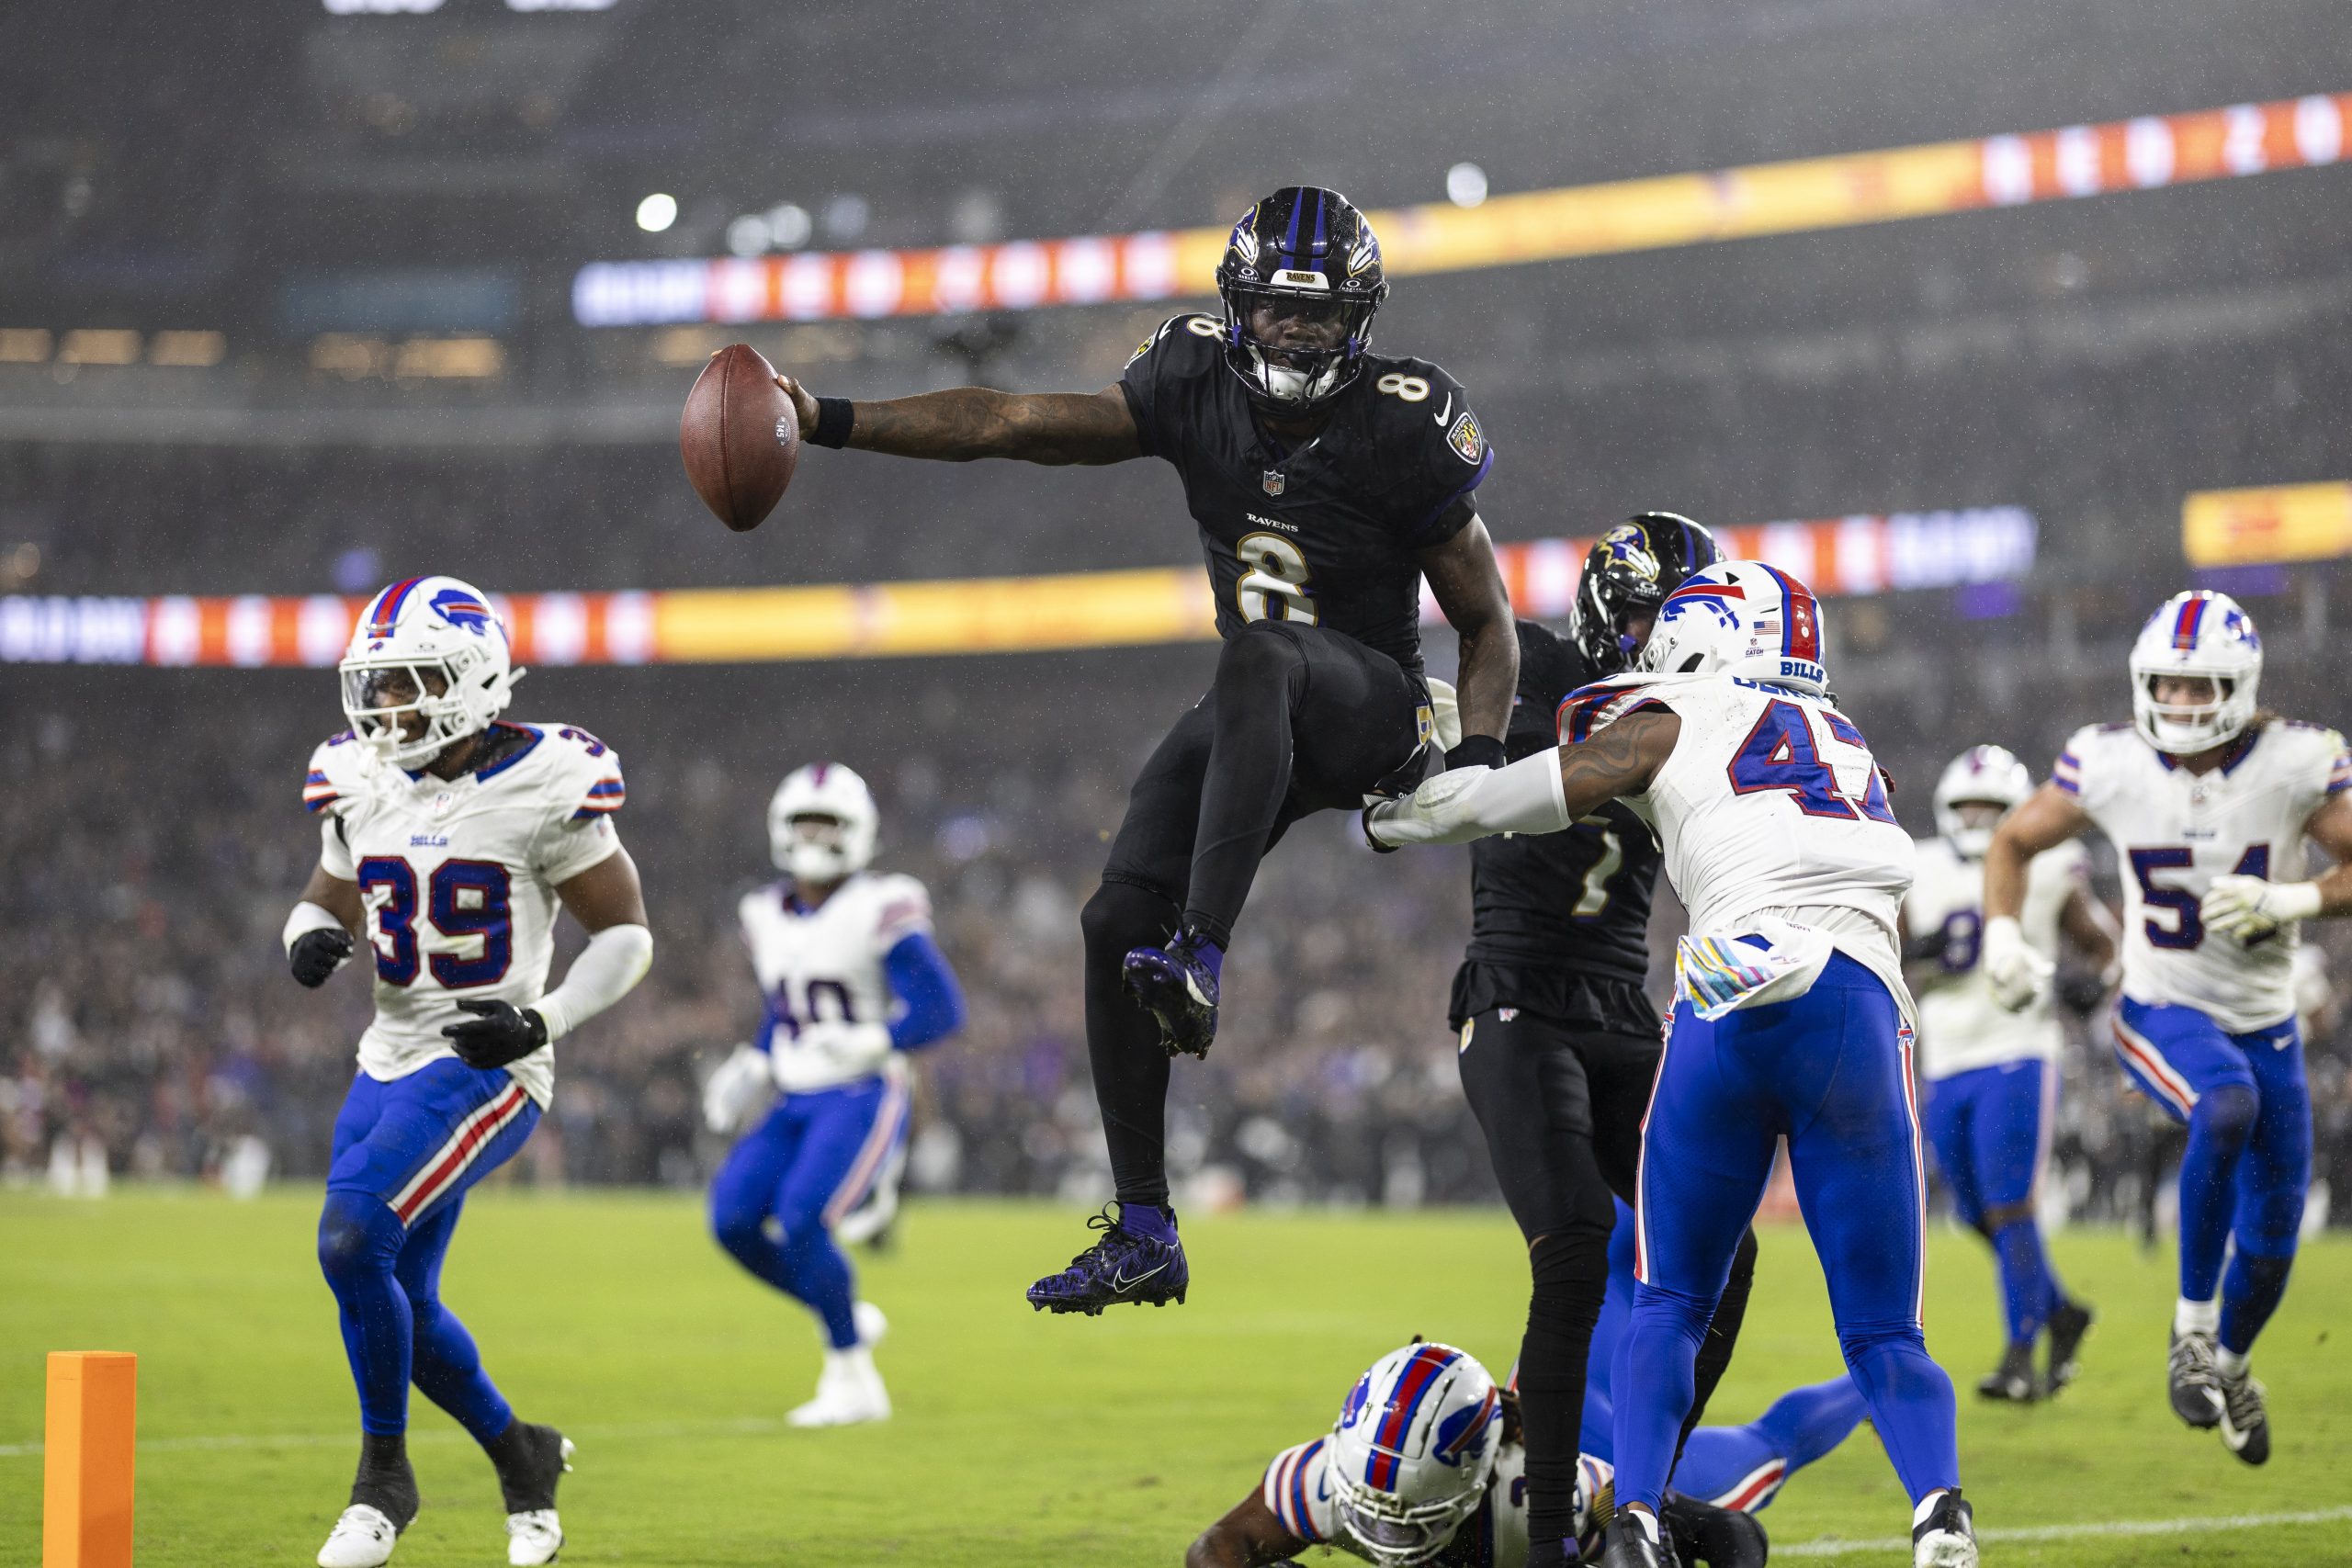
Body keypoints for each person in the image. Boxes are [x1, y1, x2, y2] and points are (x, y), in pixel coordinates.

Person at [766, 186, 1520, 1314]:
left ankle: (1202, 957)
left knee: (1260, 657)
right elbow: (1012, 427)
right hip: (1263, 709)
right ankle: (1145, 1225)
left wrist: (1480, 757)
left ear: (1361, 317)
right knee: (1114, 918)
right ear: (1237, 307)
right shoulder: (1187, 377)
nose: (1297, 333)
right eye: (1274, 311)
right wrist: (826, 416)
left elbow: (1488, 623)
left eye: (1317, 315)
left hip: (1371, 707)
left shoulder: (1407, 419)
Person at [1367, 561, 1975, 1568]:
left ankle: (1639, 1515)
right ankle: (1939, 1514)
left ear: (1705, 635)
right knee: (1884, 1335)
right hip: (1856, 1013)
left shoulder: (1667, 705)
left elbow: (1525, 795)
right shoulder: (1850, 743)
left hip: (1728, 996)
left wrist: (1408, 811)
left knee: (1669, 1300)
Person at [286, 576, 654, 1568]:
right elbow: (325, 896)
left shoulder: (546, 778)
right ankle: (521, 1454)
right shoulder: (356, 775)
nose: (390, 707)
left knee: (351, 1236)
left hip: (485, 1065)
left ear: (474, 679)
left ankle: (383, 1482)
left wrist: (545, 1018)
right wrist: (311, 936)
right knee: (401, 1289)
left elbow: (625, 935)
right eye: (381, 685)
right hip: (384, 1059)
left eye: (413, 684)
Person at [1445, 514, 1760, 1562]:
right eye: (1642, 616)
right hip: (1518, 995)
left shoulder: (1703, 710)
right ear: (1597, 607)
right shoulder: (1529, 660)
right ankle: (1548, 1544)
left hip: (1621, 1007)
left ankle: (1635, 1500)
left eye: (1679, 621)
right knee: (1576, 1241)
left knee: (1723, 1238)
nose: (1656, 639)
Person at [1983, 589, 2352, 1466]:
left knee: (2270, 1243)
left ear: (2241, 686)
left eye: (2202, 687)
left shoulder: (2298, 760)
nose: (2183, 704)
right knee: (2222, 1106)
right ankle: (2190, 1331)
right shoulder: (2109, 761)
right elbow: (2012, 842)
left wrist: (2295, 896)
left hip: (2266, 1022)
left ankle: (2230, 1364)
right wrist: (2002, 934)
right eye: (2169, 686)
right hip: (2161, 1005)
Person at [700, 762, 966, 1427]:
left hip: (859, 1090)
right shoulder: (763, 911)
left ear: (860, 831)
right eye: (804, 823)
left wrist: (878, 1039)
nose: (816, 837)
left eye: (830, 823)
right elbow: (784, 1006)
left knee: (801, 1218)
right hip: (794, 1092)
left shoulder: (881, 904)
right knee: (732, 1219)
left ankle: (852, 1376)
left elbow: (942, 1007)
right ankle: (841, 1310)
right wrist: (755, 1062)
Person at [1904, 744, 2116, 1401]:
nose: (1976, 817)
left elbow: (2102, 943)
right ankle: (2060, 1308)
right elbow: (1895, 953)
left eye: (1990, 807)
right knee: (1972, 1208)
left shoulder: (2049, 864)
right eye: (1966, 806)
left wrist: (2096, 983)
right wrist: (1919, 953)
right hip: (1945, 1055)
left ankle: (2021, 1353)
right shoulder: (1920, 865)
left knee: (2009, 1201)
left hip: (2019, 1046)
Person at [1185, 1341, 1768, 1568]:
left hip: (1597, 1413)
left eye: (1408, 1509)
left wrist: (1639, 1549)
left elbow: (1730, 1531)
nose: (1385, 1524)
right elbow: (1211, 1551)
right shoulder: (1321, 1479)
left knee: (1761, 1457)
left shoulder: (1555, 1497)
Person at [1569, 1200, 1871, 1520]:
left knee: (1771, 1444)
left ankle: (1880, 1377)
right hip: (1570, 1416)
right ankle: (1875, 1381)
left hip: (1582, 1435)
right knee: (1774, 1442)